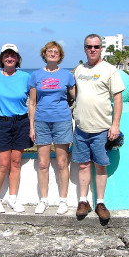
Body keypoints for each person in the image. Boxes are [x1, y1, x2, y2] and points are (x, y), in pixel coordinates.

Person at [72, 33, 125, 222]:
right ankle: (83, 201)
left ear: (101, 48)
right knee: (83, 165)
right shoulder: (78, 70)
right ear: (84, 48)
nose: (92, 49)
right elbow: (74, 94)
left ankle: (100, 203)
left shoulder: (110, 70)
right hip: (81, 128)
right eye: (89, 46)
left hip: (102, 128)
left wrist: (115, 125)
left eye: (96, 46)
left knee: (101, 166)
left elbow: (117, 99)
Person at [28, 41, 76, 215]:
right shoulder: (35, 75)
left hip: (62, 121)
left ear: (60, 55)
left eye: (56, 52)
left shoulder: (67, 76)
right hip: (41, 121)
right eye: (50, 51)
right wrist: (31, 126)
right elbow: (32, 102)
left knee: (62, 162)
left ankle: (63, 200)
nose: (53, 54)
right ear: (44, 54)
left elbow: (75, 97)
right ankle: (44, 200)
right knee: (42, 163)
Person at [0, 44, 33, 213]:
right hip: (0, 123)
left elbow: (34, 100)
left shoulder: (26, 77)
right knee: (3, 164)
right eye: (6, 55)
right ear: (1, 58)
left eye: (13, 55)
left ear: (17, 58)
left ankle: (13, 199)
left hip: (21, 122)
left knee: (16, 163)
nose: (10, 58)